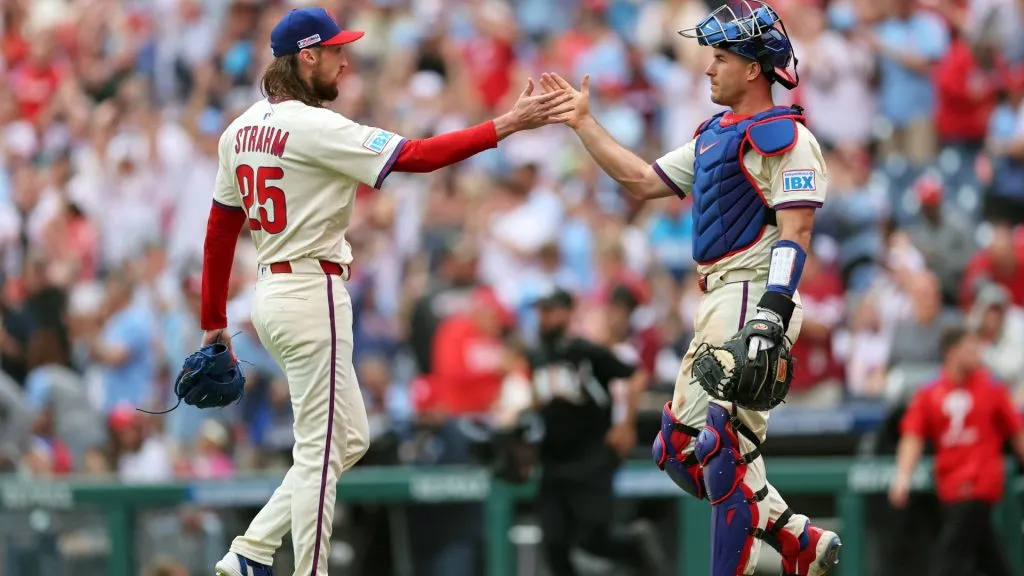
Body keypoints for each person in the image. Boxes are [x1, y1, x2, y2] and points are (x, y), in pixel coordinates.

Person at [202, 8, 573, 576]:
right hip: (311, 292)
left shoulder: (239, 129)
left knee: (349, 438)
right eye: (334, 51)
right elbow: (418, 157)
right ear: (306, 56)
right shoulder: (316, 126)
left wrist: (212, 319)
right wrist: (508, 124)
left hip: (271, 295)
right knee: (321, 449)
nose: (344, 61)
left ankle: (251, 550)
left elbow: (221, 226)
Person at [540, 1, 840, 574]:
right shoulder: (711, 135)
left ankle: (742, 562)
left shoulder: (785, 135)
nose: (708, 68)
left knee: (718, 444)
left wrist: (771, 314)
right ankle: (793, 536)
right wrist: (583, 122)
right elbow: (640, 180)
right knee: (676, 449)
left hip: (753, 292)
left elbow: (796, 230)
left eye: (721, 57)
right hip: (717, 297)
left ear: (754, 68)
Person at [524, 287, 662, 576]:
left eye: (549, 311)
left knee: (592, 538)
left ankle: (636, 545)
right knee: (554, 542)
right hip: (553, 461)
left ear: (565, 313)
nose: (543, 318)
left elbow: (635, 375)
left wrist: (625, 425)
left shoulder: (582, 351)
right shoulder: (536, 355)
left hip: (590, 458)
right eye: (540, 312)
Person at [889, 326, 1024, 576]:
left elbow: (1017, 433)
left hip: (980, 483)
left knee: (950, 556)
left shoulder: (992, 387)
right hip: (950, 485)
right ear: (951, 352)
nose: (976, 354)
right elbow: (913, 436)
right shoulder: (930, 392)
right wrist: (903, 476)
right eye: (969, 348)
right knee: (990, 557)